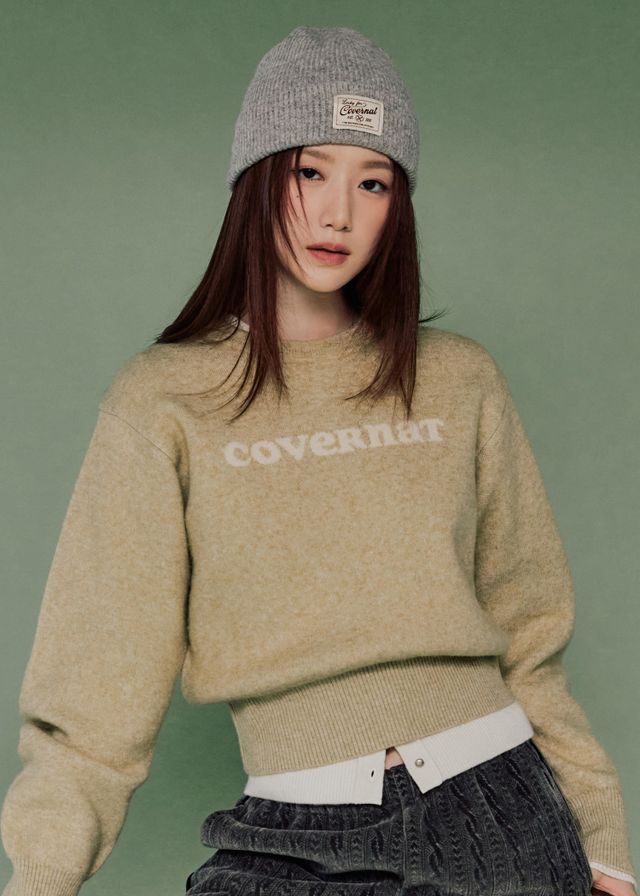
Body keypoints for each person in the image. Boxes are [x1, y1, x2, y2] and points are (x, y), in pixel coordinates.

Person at [0, 25, 636, 896]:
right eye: (310, 172)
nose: (339, 213)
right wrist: (39, 877)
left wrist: (603, 837)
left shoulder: (458, 380)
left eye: (373, 182)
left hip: (500, 813)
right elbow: (92, 693)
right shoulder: (162, 401)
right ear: (257, 179)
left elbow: (530, 632)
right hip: (290, 826)